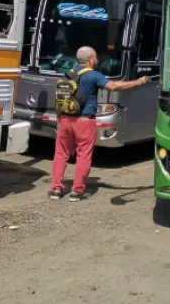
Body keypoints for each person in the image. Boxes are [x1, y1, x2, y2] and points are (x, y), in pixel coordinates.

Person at [49, 46, 149, 202]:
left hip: (65, 120)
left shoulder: (69, 73)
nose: (97, 60)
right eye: (95, 57)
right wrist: (138, 81)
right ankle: (77, 192)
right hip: (84, 122)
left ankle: (55, 190)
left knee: (60, 155)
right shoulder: (94, 76)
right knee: (83, 156)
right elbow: (113, 86)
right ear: (89, 59)